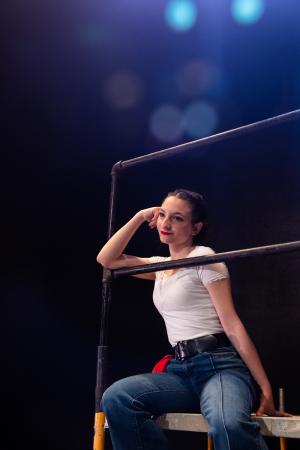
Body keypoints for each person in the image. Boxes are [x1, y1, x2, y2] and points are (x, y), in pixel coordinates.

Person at [96, 188, 290, 450]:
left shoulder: (204, 259)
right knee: (118, 397)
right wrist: (140, 216)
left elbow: (231, 324)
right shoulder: (159, 265)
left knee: (228, 425)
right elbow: (107, 259)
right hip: (180, 371)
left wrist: (264, 385)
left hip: (219, 368)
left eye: (177, 218)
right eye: (162, 215)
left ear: (195, 227)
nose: (165, 223)